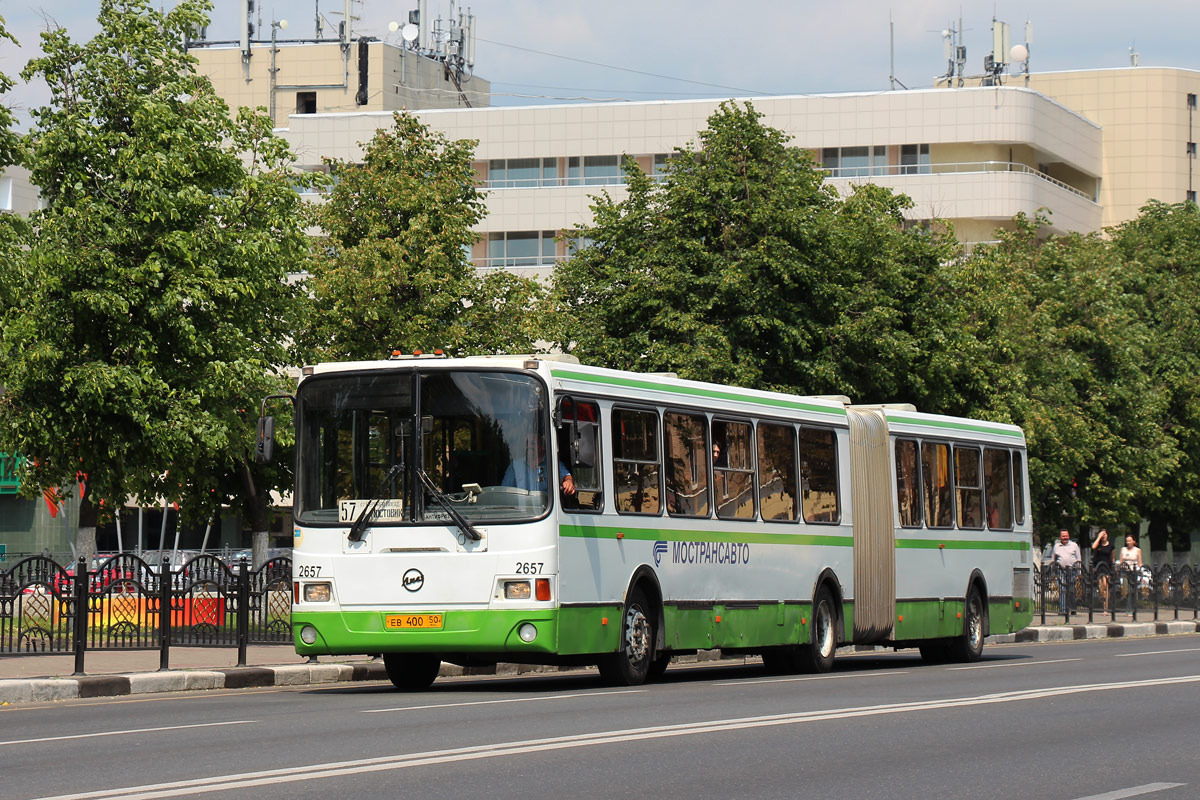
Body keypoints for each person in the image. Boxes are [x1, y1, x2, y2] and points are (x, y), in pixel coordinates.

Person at [502, 432, 576, 496]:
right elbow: (505, 492)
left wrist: (568, 482)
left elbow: (566, 476)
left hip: (547, 510)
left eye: (533, 443)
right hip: (521, 509)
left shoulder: (553, 463)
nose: (529, 446)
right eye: (527, 443)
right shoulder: (515, 466)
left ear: (542, 446)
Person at [1051, 529, 1081, 615]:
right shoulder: (1057, 546)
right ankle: (1062, 609)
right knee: (1062, 589)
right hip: (1061, 570)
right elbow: (1054, 559)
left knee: (1071, 589)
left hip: (1072, 570)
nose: (1065, 537)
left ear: (1069, 536)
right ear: (1060, 537)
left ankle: (1072, 608)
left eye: (1066, 536)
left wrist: (1079, 572)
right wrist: (1053, 572)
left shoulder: (1074, 545)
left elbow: (1079, 559)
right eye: (1063, 536)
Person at [1091, 529, 1115, 611]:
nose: (1103, 536)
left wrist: (1113, 569)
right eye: (1102, 534)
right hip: (1098, 568)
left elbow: (1113, 558)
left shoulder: (1111, 546)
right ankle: (1102, 603)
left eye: (1105, 534)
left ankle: (1105, 607)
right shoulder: (1098, 545)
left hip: (1107, 568)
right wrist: (1099, 537)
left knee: (1105, 587)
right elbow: (1093, 547)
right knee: (1101, 588)